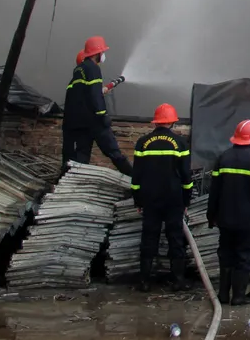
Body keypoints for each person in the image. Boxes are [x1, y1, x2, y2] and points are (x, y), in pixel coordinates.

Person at [207, 119, 250, 306]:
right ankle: (238, 296)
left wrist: (211, 215)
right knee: (245, 256)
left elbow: (214, 191)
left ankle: (223, 295)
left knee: (226, 254)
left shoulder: (223, 158)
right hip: (248, 221)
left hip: (225, 219)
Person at [131, 103, 193, 292]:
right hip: (173, 198)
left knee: (149, 238)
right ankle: (178, 280)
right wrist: (186, 200)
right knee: (175, 238)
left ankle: (144, 281)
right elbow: (186, 177)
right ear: (172, 122)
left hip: (150, 198)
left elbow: (136, 176)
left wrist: (138, 200)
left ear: (156, 122)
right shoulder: (180, 143)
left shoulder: (142, 142)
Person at [62, 36, 132, 176]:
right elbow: (94, 95)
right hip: (95, 121)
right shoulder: (93, 68)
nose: (103, 55)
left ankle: (69, 180)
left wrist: (100, 91)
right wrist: (103, 115)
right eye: (102, 52)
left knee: (81, 156)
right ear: (97, 53)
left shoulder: (79, 71)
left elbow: (85, 94)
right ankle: (134, 179)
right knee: (114, 152)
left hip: (82, 123)